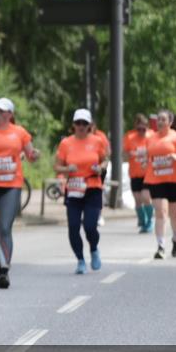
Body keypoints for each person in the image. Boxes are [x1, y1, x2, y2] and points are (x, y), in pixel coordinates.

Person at [0, 98, 39, 289]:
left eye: (3, 111)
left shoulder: (19, 132)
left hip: (11, 186)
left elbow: (30, 155)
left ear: (10, 114)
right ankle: (0, 258)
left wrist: (34, 154)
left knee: (5, 227)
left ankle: (4, 269)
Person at [54, 109, 108, 274]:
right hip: (74, 188)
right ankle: (80, 259)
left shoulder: (97, 141)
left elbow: (105, 160)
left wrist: (100, 168)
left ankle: (94, 249)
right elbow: (56, 166)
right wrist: (66, 168)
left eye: (84, 123)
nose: (81, 126)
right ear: (73, 125)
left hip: (92, 187)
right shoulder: (66, 143)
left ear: (90, 125)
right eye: (78, 123)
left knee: (90, 226)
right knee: (73, 227)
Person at [144, 109, 176, 259]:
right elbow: (149, 158)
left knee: (175, 215)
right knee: (160, 212)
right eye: (158, 119)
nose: (160, 122)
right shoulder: (151, 138)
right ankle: (160, 246)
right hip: (156, 179)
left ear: (170, 122)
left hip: (175, 179)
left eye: (163, 119)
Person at [122, 114, 154, 234]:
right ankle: (142, 219)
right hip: (135, 173)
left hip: (148, 172)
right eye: (138, 129)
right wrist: (129, 154)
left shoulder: (151, 136)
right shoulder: (130, 137)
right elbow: (123, 155)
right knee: (137, 199)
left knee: (146, 197)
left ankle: (149, 221)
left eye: (143, 129)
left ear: (147, 127)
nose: (141, 132)